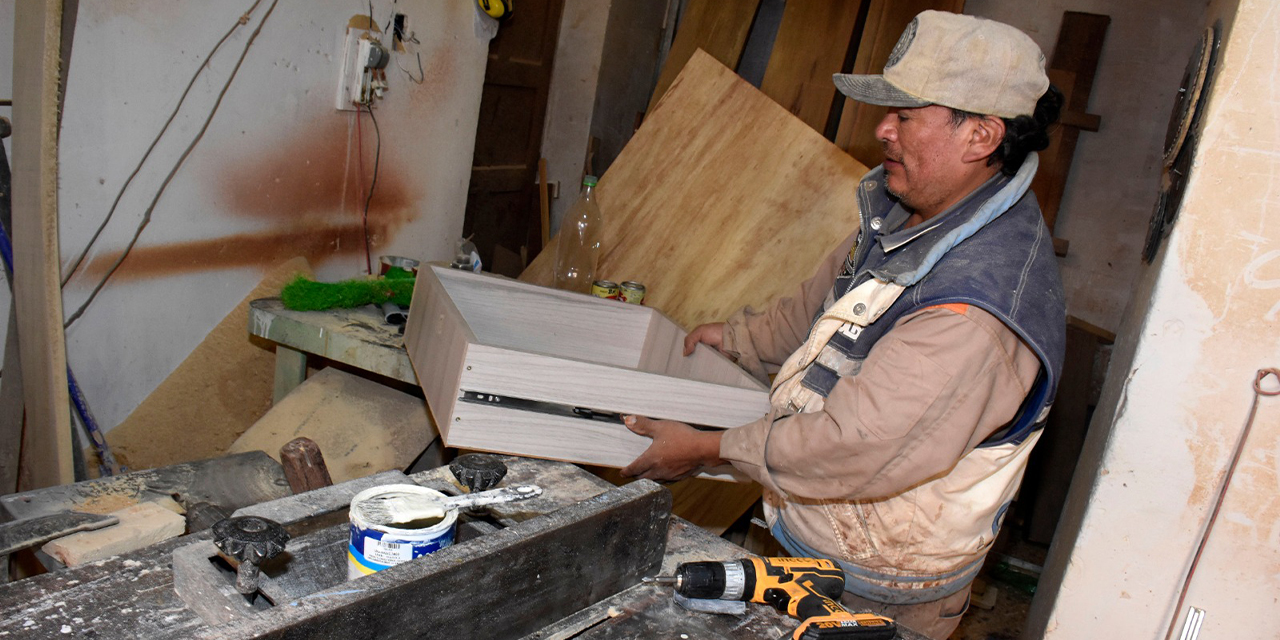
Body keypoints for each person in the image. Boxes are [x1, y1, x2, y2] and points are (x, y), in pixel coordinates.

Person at [620, 11, 1066, 639]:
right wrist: (742, 339)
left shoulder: (975, 312)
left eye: (906, 115)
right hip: (807, 522)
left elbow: (854, 445)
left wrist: (709, 448)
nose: (882, 129)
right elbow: (827, 301)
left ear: (982, 136)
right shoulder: (912, 205)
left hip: (879, 579)